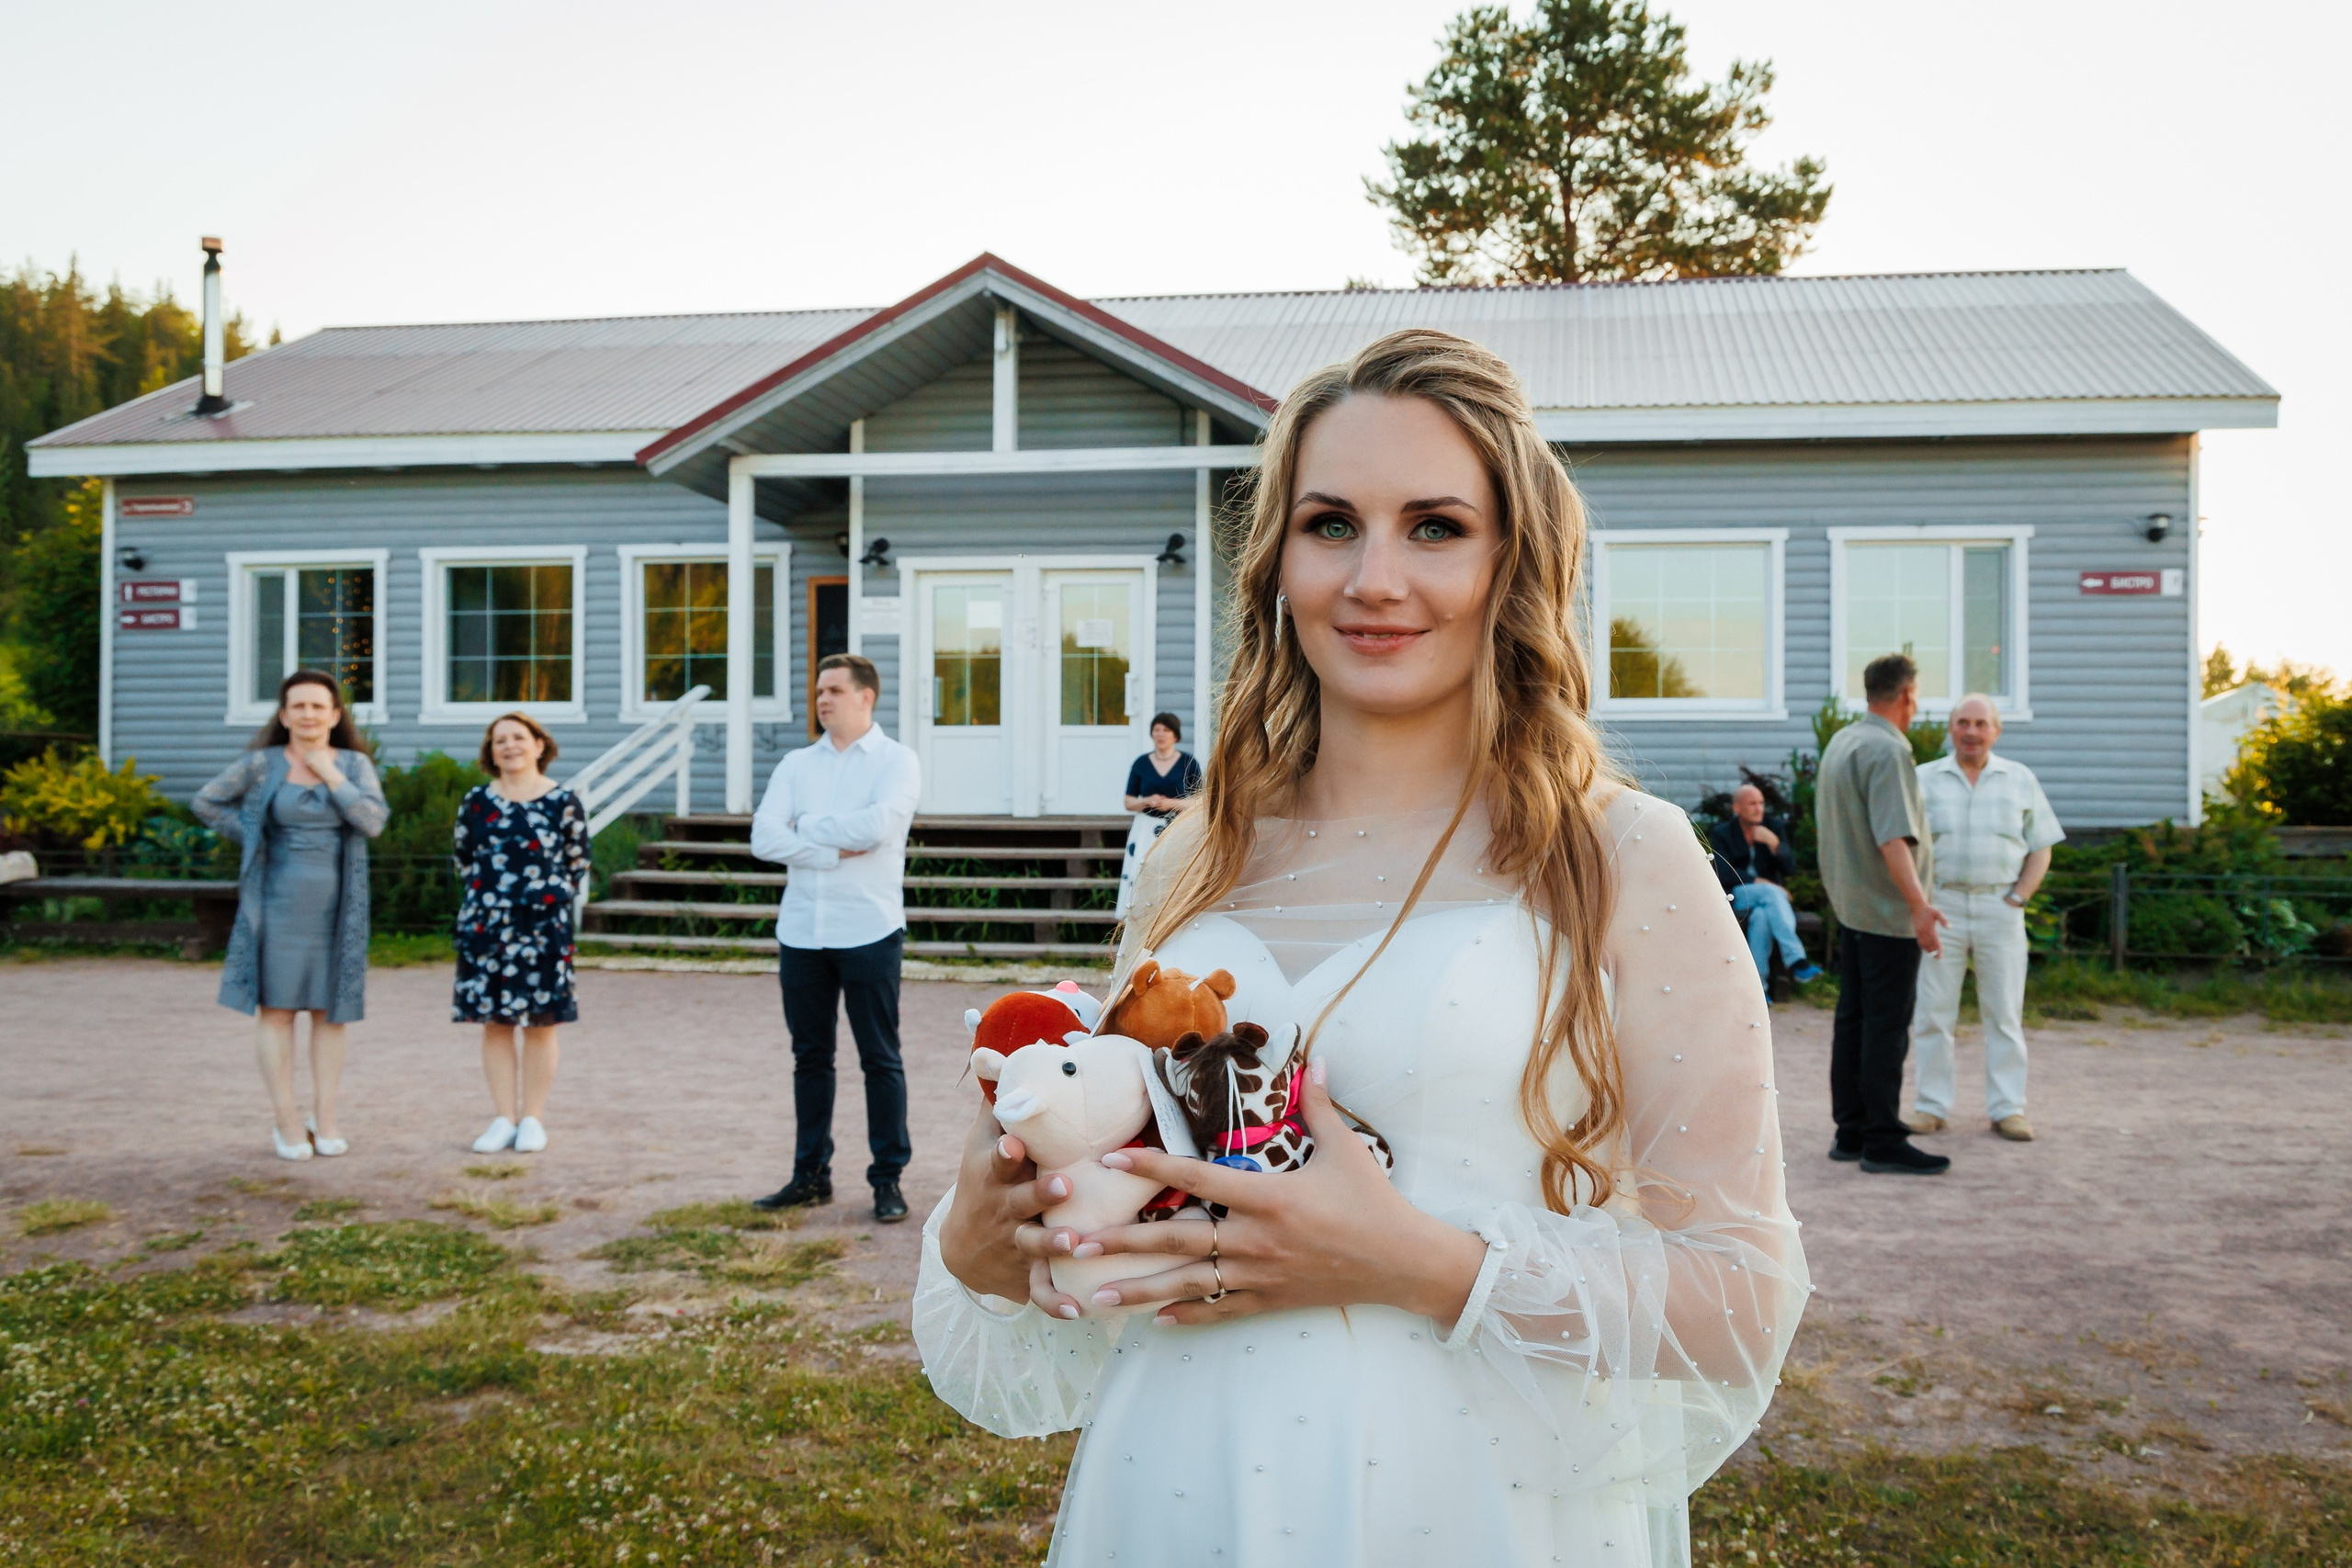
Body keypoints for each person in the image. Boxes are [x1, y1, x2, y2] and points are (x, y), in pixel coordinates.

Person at [913, 331, 1807, 1566]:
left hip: (1467, 1496)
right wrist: (987, 1238)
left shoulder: (1622, 856)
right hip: (1182, 1480)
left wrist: (1414, 1260)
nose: (1374, 576)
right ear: (1278, 554)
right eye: (1332, 522)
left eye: (1435, 525)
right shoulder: (1196, 857)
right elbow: (1128, 1208)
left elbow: (1741, 1298)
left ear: (1514, 560)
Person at [749, 652, 922, 1223]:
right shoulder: (798, 764)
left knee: (880, 1057)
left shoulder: (897, 761)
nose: (822, 699)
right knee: (810, 1057)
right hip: (802, 931)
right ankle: (810, 1175)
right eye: (818, 691)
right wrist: (828, 848)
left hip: (869, 928)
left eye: (834, 690)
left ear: (865, 696)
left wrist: (804, 831)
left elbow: (878, 827)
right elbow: (763, 837)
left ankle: (887, 1178)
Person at [192, 670, 390, 1161]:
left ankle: (324, 1120)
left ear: (335, 714)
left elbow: (371, 821)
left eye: (318, 706)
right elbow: (206, 801)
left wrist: (330, 774)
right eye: (297, 706)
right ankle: (284, 1120)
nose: (308, 714)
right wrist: (253, 834)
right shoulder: (260, 764)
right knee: (276, 1012)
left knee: (330, 1014)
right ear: (283, 715)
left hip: (337, 907)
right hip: (275, 905)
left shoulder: (355, 764)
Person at [1815, 652, 1950, 1177]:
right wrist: (1919, 908)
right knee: (1885, 1028)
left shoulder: (1844, 741)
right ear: (1908, 695)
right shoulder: (1888, 750)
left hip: (1851, 907)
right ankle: (1882, 1139)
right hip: (1886, 912)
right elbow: (1893, 837)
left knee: (1853, 1021)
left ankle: (1850, 1131)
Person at [1906, 694, 2064, 1143]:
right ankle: (1931, 1107)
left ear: (1996, 730)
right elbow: (1906, 846)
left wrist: (2018, 899)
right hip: (1943, 908)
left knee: (2004, 1013)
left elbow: (2041, 846)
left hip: (2000, 908)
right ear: (1951, 729)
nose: (1971, 732)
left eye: (1980, 723)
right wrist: (1919, 902)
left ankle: (2008, 1108)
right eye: (1962, 723)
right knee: (1934, 1012)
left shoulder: (2020, 779)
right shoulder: (1923, 780)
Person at [453, 713, 591, 1155]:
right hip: (487, 927)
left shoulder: (563, 801)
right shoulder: (476, 802)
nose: (509, 746)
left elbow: (577, 862)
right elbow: (464, 858)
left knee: (541, 1024)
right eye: (499, 741)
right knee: (496, 1023)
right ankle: (502, 1119)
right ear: (490, 752)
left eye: (518, 737)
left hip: (543, 928)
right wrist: (490, 900)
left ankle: (532, 1118)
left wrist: (543, 900)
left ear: (538, 745)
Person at [1710, 782, 1824, 987]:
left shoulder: (1772, 827)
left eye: (1761, 803)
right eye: (1752, 803)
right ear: (1737, 808)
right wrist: (1758, 881)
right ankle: (1798, 960)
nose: (1759, 808)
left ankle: (1758, 987)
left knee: (1761, 919)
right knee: (1771, 893)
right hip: (1737, 895)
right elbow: (1722, 871)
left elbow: (1789, 868)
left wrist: (1774, 844)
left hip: (1768, 903)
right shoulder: (1723, 833)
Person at [1115, 710, 1204, 918]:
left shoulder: (1188, 763)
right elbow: (1128, 802)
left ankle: (1172, 916)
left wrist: (1171, 803)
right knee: (1143, 872)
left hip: (1178, 827)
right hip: (1146, 827)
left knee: (1175, 872)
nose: (1161, 734)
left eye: (1166, 730)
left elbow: (1200, 800)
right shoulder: (1141, 764)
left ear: (1176, 735)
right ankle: (1140, 915)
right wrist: (1146, 801)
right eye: (1157, 730)